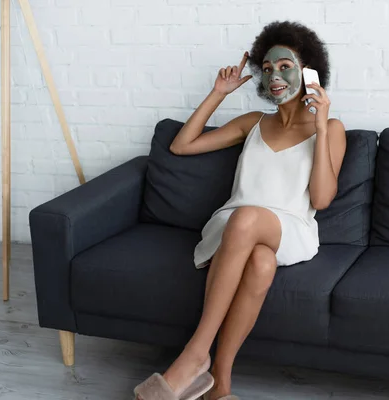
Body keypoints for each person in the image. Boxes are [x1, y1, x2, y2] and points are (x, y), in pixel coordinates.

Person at [134, 20, 347, 400]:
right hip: (233, 225)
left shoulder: (330, 127)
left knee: (248, 219)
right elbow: (182, 146)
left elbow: (321, 199)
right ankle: (220, 384)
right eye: (266, 69)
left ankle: (194, 355)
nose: (274, 75)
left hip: (291, 229)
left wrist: (320, 126)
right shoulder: (252, 123)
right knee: (259, 260)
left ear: (309, 71)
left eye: (285, 66)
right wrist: (219, 93)